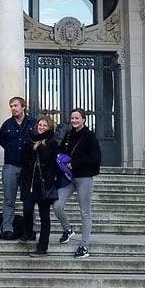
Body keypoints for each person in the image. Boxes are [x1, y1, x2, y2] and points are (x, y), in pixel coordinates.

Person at [53, 108, 102, 259]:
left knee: (85, 212)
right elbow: (61, 151)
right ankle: (68, 230)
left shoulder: (90, 136)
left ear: (83, 119)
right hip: (68, 177)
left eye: (77, 118)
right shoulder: (68, 134)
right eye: (72, 118)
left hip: (84, 177)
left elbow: (96, 158)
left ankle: (84, 246)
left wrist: (75, 164)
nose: (74, 121)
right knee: (57, 205)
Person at [19, 115, 58, 257]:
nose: (41, 128)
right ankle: (28, 231)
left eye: (44, 126)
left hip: (44, 184)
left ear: (49, 128)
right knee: (27, 209)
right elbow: (24, 160)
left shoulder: (51, 143)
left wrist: (42, 146)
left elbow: (51, 161)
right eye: (39, 125)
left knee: (44, 216)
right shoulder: (30, 141)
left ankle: (43, 246)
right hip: (30, 182)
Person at [0, 96, 36, 240]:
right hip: (11, 165)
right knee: (9, 200)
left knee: (29, 200)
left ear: (23, 107)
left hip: (28, 167)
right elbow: (3, 142)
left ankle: (30, 229)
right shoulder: (7, 125)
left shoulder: (33, 123)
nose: (13, 108)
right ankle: (7, 228)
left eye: (15, 105)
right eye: (11, 106)